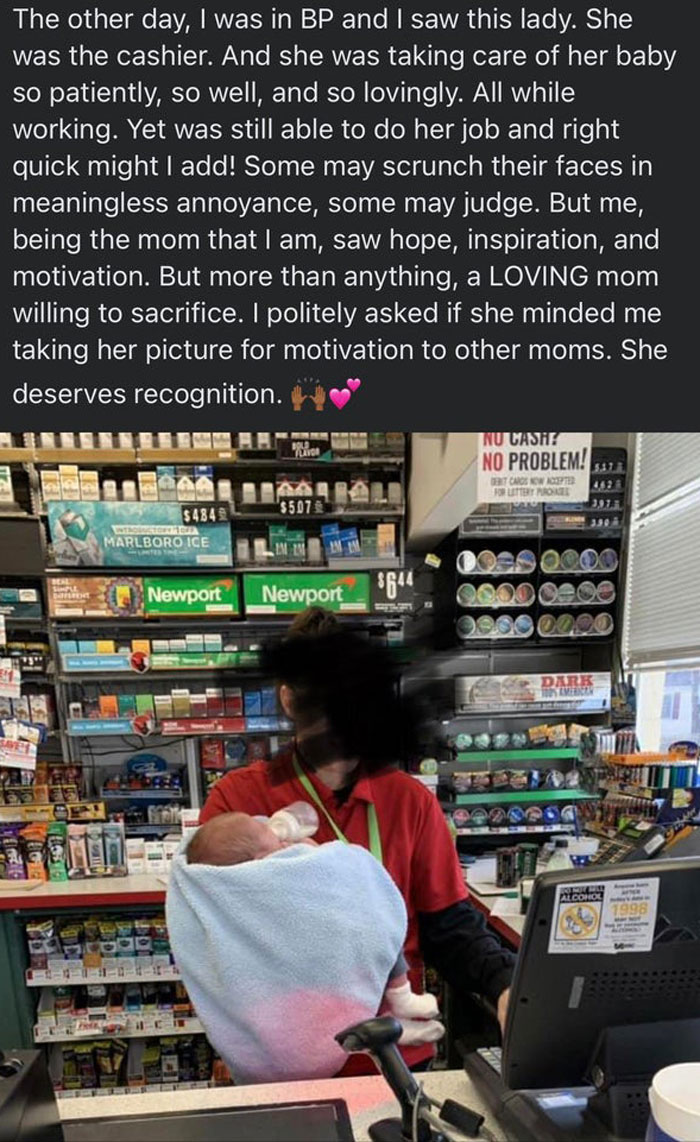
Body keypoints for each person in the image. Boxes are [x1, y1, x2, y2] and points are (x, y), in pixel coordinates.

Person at [200, 607, 515, 1073]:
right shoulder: (238, 800)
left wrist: (507, 985)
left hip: (393, 1061)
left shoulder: (410, 802)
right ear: (290, 701)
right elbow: (213, 937)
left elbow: (450, 929)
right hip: (283, 1064)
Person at [167, 810, 442, 1084]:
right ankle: (395, 1015)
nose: (283, 842)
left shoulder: (410, 804)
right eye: (275, 844)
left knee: (373, 932)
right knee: (376, 926)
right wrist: (311, 855)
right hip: (300, 998)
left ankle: (391, 1025)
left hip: (292, 1004)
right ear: (258, 862)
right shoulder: (257, 881)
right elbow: (327, 870)